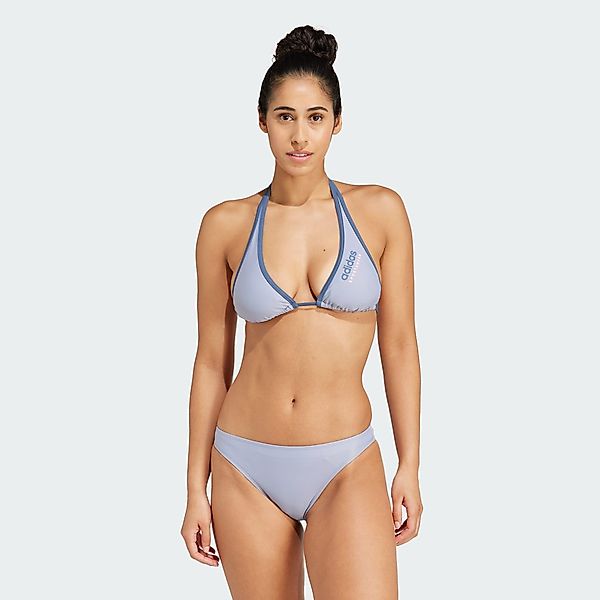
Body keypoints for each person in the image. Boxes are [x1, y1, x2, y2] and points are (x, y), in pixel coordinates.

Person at [180, 24, 422, 599]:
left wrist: (410, 464)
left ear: (337, 122)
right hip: (244, 464)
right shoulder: (225, 225)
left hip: (345, 461)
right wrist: (194, 489)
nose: (299, 135)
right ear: (262, 121)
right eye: (284, 116)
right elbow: (211, 362)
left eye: (315, 117)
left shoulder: (381, 212)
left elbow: (400, 346)